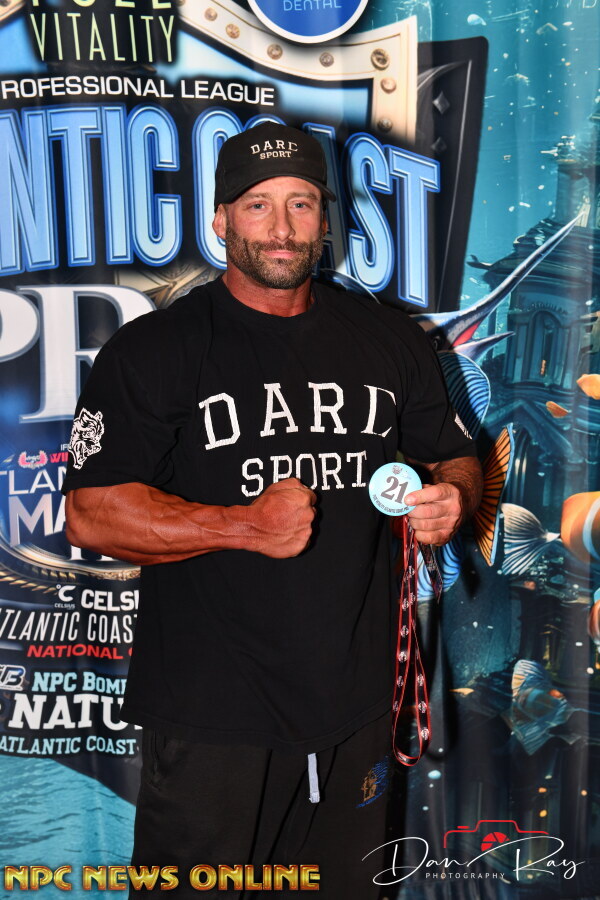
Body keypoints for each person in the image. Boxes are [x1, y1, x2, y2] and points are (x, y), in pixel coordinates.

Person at [63, 122, 482, 898]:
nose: (282, 228)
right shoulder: (156, 348)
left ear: (326, 218)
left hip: (357, 704)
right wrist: (243, 526)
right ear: (220, 220)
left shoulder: (387, 339)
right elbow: (92, 514)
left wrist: (453, 496)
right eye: (257, 206)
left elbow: (456, 453)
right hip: (213, 714)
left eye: (301, 203)